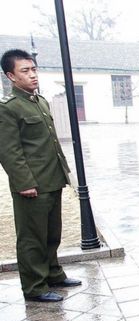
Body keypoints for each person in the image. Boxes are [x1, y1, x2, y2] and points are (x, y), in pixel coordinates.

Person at [0, 49, 81, 302]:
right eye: (25, 71)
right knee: (32, 238)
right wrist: (24, 183)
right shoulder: (9, 108)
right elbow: (9, 151)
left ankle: (53, 274)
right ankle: (34, 287)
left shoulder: (39, 101)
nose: (33, 75)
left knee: (51, 234)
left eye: (34, 69)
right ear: (10, 76)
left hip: (51, 178)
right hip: (32, 184)